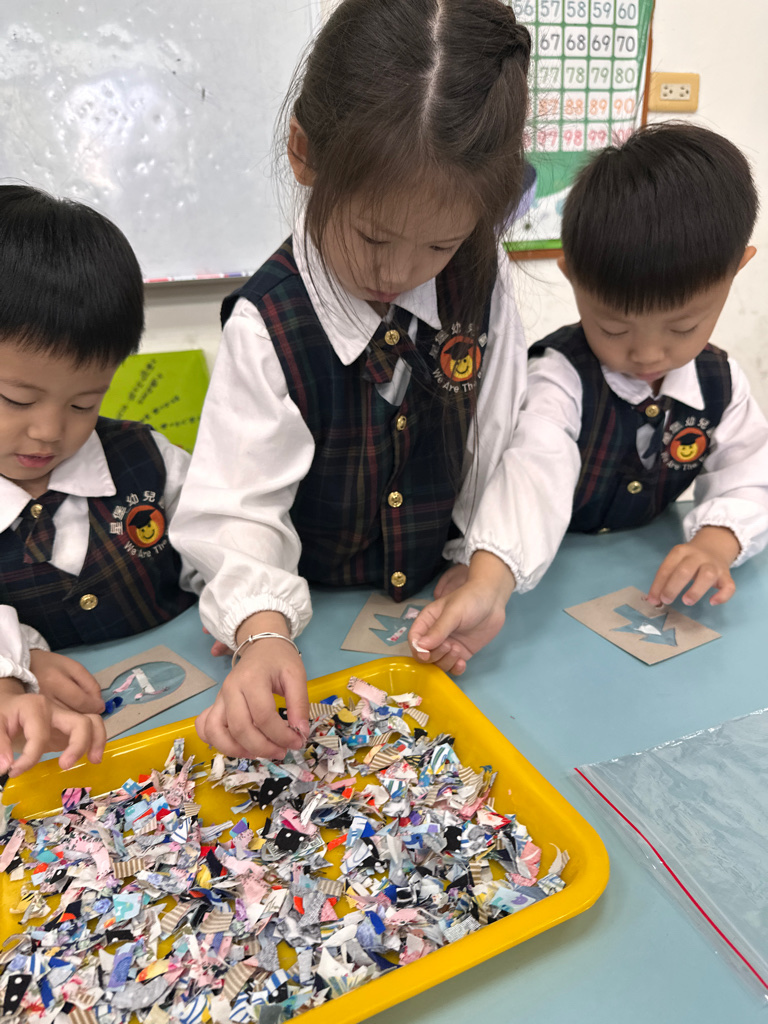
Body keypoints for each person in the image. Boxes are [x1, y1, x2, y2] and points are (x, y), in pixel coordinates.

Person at [171, 0, 534, 758]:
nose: (398, 272)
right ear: (304, 153)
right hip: (315, 624)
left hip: (435, 610)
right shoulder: (268, 323)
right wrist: (260, 628)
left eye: (439, 244)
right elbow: (236, 505)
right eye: (373, 236)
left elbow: (506, 439)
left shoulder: (482, 278)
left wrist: (488, 567)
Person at [409, 122, 768, 669]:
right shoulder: (560, 376)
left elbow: (751, 474)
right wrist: (490, 578)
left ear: (737, 269)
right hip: (549, 594)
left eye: (682, 327)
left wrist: (715, 544)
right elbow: (534, 469)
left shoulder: (721, 383)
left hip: (644, 584)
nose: (647, 354)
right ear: (572, 276)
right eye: (614, 329)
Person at [0, 185, 201, 772]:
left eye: (84, 403)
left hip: (194, 722)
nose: (48, 432)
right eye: (15, 399)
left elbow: (224, 536)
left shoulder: (147, 459)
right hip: (66, 762)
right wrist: (15, 668)